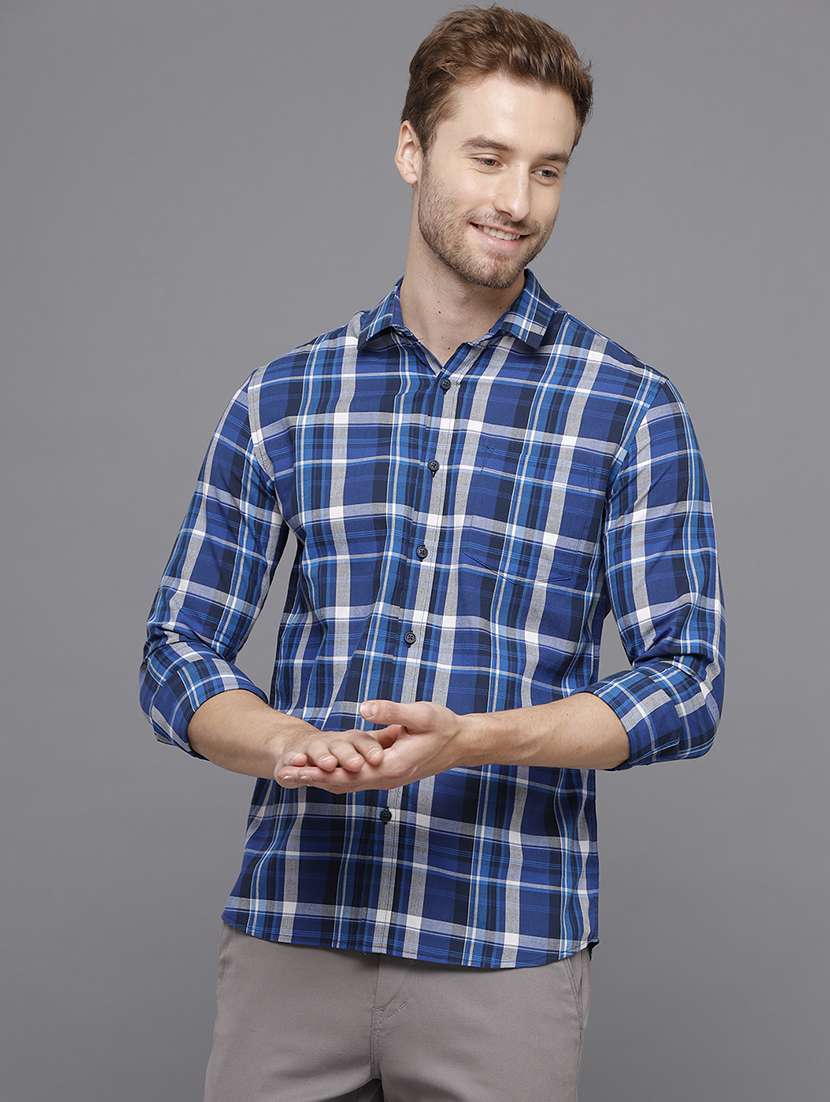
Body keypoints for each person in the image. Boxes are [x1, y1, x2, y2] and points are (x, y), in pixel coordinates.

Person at [138, 5, 727, 1100]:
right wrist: (282, 742)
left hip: (504, 949)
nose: (517, 202)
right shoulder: (284, 397)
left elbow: (686, 686)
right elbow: (176, 649)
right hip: (293, 931)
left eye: (548, 170)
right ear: (411, 149)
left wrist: (473, 741)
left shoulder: (631, 409)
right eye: (488, 158)